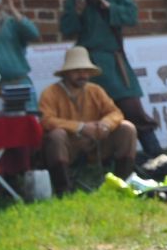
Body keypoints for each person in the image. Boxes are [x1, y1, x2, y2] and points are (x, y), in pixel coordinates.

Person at [61, 0, 161, 159]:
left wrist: (107, 6)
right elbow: (67, 28)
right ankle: (105, 160)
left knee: (132, 107)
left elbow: (131, 16)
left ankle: (155, 154)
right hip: (88, 62)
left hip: (114, 59)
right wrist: (77, 12)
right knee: (93, 111)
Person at [37, 45, 138, 194]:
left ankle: (122, 183)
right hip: (68, 147)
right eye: (77, 71)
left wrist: (105, 125)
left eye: (85, 71)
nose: (82, 75)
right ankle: (64, 189)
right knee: (56, 135)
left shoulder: (95, 90)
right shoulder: (50, 93)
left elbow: (115, 113)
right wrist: (80, 127)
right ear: (66, 73)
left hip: (96, 144)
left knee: (127, 128)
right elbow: (46, 120)